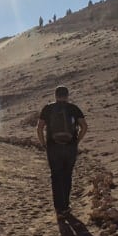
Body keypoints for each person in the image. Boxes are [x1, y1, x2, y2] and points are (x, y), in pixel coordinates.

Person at [36, 86, 87, 219]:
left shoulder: (48, 108)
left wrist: (43, 143)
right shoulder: (73, 108)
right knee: (67, 175)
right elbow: (84, 126)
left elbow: (40, 127)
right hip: (70, 147)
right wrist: (77, 140)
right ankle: (66, 206)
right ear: (67, 95)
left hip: (53, 147)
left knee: (55, 176)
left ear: (55, 95)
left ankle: (59, 209)